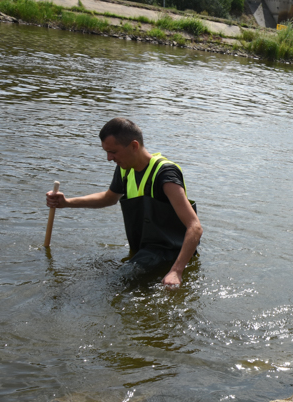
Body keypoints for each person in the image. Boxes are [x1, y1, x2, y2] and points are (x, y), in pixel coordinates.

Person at [45, 118, 203, 286]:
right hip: (143, 251)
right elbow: (108, 198)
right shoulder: (124, 169)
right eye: (106, 152)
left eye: (113, 152)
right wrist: (67, 202)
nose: (108, 158)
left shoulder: (165, 174)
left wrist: (176, 271)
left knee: (114, 284)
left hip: (169, 253)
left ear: (134, 146)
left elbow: (195, 227)